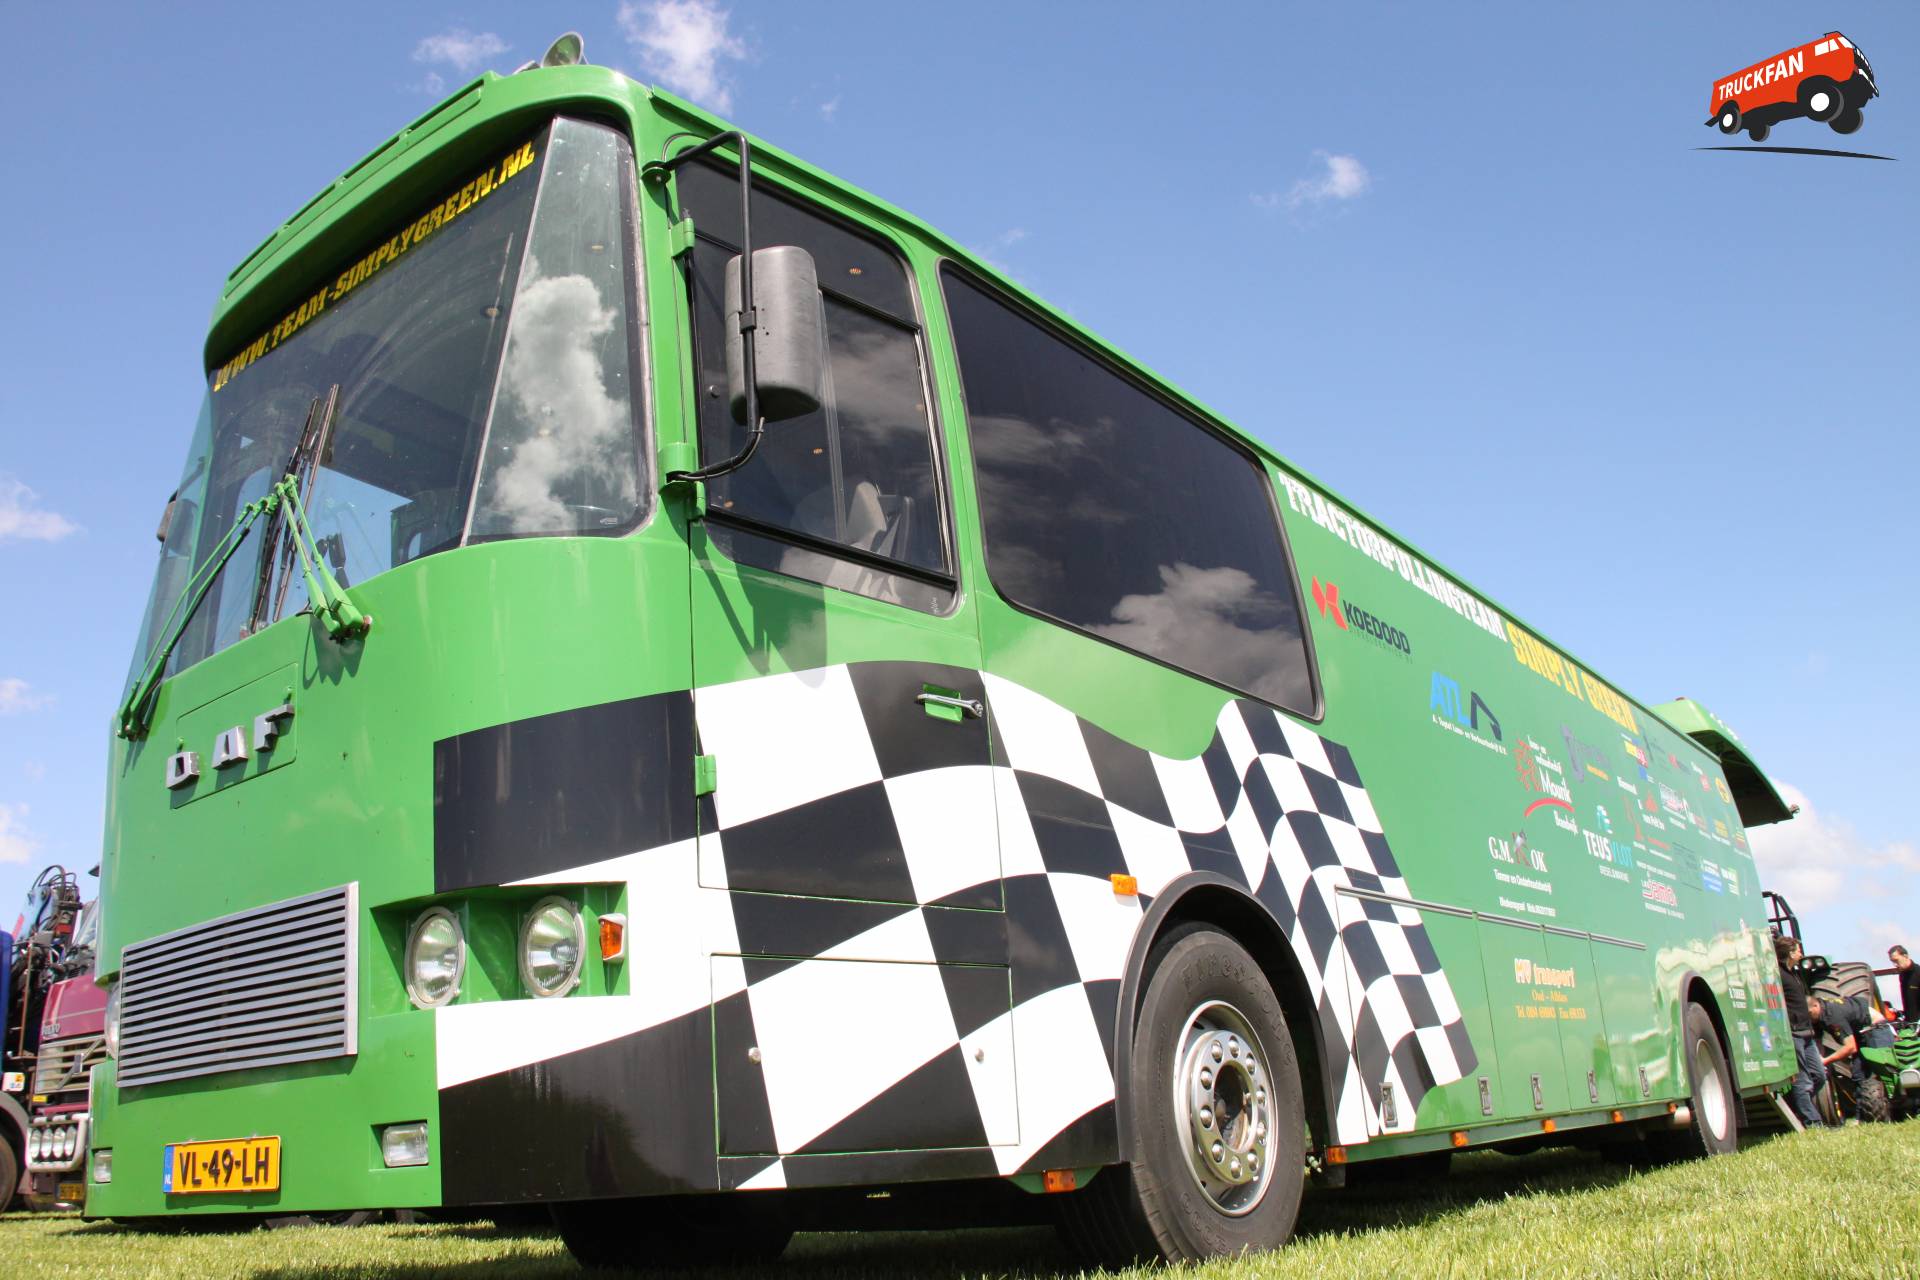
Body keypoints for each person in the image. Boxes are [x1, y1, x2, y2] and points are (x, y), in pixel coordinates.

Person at [1808, 993, 1892, 1121]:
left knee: (1882, 1071)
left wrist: (1825, 1060)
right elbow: (1818, 1039)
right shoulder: (1818, 1014)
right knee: (1858, 1075)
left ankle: (1898, 1107)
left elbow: (1850, 1047)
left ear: (1815, 1005)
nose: (1808, 1017)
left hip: (1876, 1028)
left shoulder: (1832, 1016)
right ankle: (1863, 1117)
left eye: (1809, 1013)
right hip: (1861, 1032)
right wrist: (1818, 1058)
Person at [1776, 935, 1826, 1129]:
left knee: (1819, 1075)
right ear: (1789, 952)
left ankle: (1803, 1108)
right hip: (1794, 1033)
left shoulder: (1794, 973)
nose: (1801, 954)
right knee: (1803, 1079)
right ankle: (1813, 1122)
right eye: (1797, 950)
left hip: (1807, 1033)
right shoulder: (1778, 974)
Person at [1891, 945, 1919, 1023]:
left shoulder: (1918, 973)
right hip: (1910, 1023)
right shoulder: (1902, 975)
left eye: (1896, 960)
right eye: (1892, 962)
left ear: (1905, 956)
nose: (1895, 964)